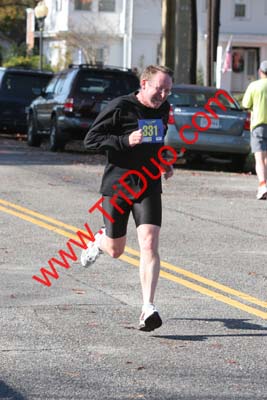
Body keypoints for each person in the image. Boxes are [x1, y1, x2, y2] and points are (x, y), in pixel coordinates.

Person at [81, 65, 174, 331]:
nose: (164, 94)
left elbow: (155, 141)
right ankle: (100, 241)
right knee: (116, 250)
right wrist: (124, 140)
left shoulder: (163, 109)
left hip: (147, 184)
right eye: (160, 88)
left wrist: (164, 161)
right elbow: (91, 140)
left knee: (149, 243)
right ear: (144, 83)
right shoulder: (120, 106)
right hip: (118, 186)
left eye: (168, 90)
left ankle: (148, 308)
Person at [242, 60, 267, 200]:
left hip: (259, 125)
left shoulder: (255, 86)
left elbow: (246, 104)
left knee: (259, 158)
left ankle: (262, 185)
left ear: (260, 71)